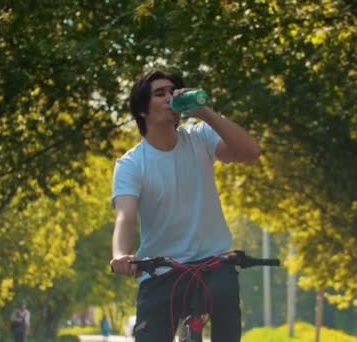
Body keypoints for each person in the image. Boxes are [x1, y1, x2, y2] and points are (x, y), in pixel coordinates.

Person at [109, 69, 261, 342]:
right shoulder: (131, 165)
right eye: (159, 93)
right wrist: (121, 254)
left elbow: (250, 152)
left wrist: (205, 112)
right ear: (142, 110)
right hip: (160, 270)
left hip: (213, 264)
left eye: (173, 91)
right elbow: (126, 218)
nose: (169, 97)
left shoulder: (201, 138)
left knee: (225, 297)